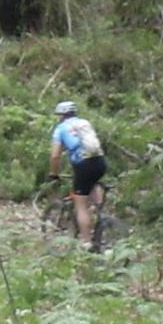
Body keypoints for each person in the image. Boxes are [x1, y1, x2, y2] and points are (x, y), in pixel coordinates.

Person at [48, 101, 107, 249]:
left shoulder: (60, 128)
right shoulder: (84, 123)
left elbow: (55, 156)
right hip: (100, 162)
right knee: (91, 184)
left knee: (79, 204)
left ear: (61, 115)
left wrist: (54, 173)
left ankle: (86, 243)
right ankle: (98, 213)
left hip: (83, 165)